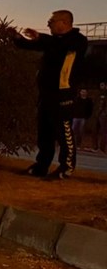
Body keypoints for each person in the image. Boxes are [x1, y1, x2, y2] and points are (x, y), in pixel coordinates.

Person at [11, 10, 88, 179]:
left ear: (64, 23)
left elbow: (59, 45)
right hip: (46, 95)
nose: (48, 24)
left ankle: (66, 168)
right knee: (44, 132)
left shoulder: (78, 41)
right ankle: (41, 165)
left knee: (63, 132)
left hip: (63, 96)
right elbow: (34, 45)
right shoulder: (53, 42)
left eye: (52, 21)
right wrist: (17, 38)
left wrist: (42, 37)